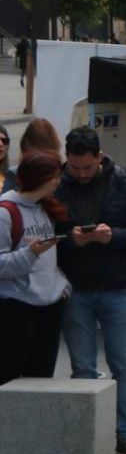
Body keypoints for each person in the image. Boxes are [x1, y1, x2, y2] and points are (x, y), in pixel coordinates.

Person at [54, 127, 126, 454]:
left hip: (117, 286)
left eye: (87, 167)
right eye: (75, 168)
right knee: (82, 367)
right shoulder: (57, 185)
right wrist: (71, 239)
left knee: (125, 366)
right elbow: (46, 236)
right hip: (77, 288)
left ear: (99, 158)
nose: (81, 174)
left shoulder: (125, 184)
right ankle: (89, 436)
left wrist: (112, 236)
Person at [0, 153, 71, 385]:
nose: (59, 181)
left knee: (41, 381)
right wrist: (31, 253)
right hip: (16, 307)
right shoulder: (5, 212)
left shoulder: (46, 208)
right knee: (10, 378)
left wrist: (62, 285)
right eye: (55, 177)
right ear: (40, 179)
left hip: (50, 305)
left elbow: (50, 258)